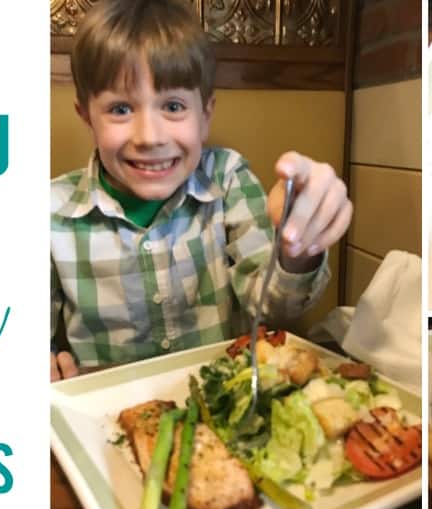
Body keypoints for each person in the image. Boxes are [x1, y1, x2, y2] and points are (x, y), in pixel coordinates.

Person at [50, 0, 352, 381]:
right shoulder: (51, 211)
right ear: (87, 117)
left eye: (173, 106)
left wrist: (297, 252)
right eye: (121, 109)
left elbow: (275, 310)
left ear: (205, 115)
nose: (149, 137)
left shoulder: (228, 179)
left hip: (225, 401)